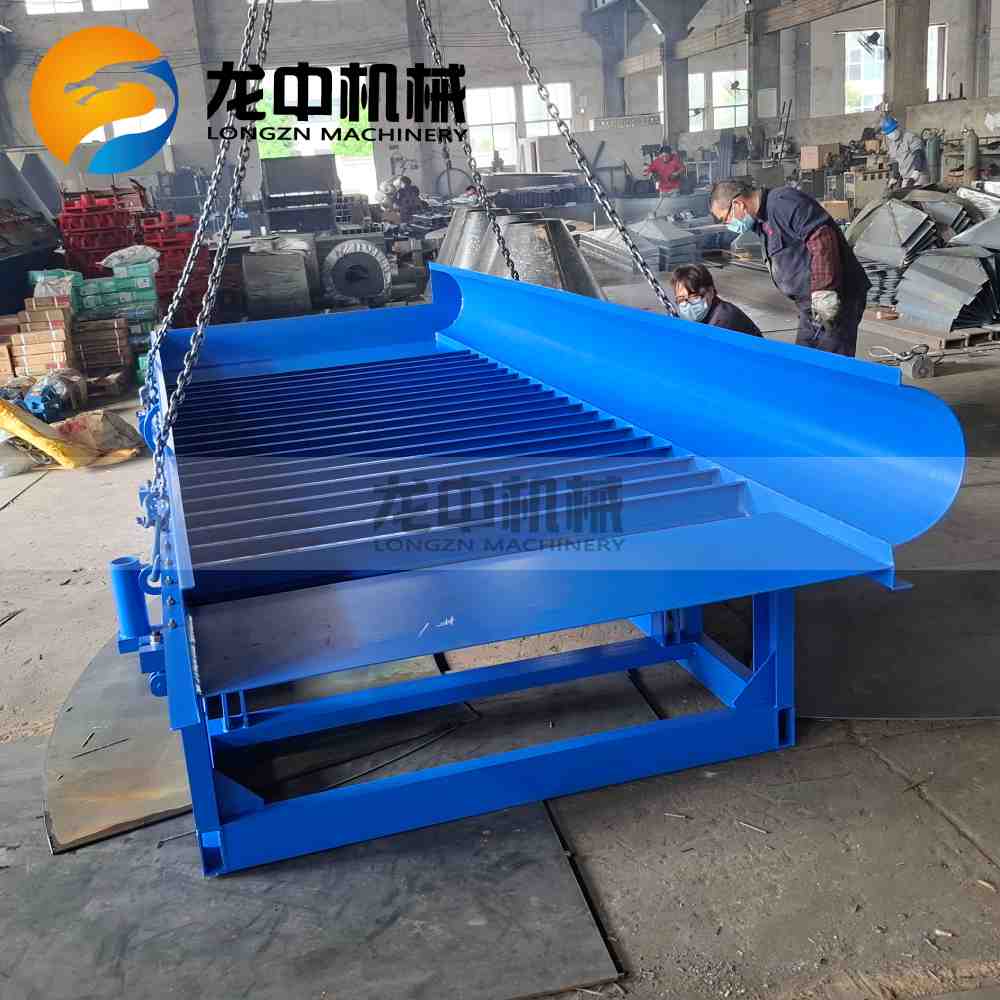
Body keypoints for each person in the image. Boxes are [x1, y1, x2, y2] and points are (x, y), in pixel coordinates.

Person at [709, 179, 871, 357]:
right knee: (803, 359)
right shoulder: (761, 222)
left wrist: (824, 290)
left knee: (830, 363)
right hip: (810, 305)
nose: (728, 225)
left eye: (726, 218)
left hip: (836, 298)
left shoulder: (783, 203)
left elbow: (821, 237)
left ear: (738, 204)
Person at [672, 264, 763, 338]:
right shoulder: (706, 314)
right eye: (681, 299)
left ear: (710, 291)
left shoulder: (722, 321)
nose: (687, 304)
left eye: (694, 296)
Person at [882, 116, 930, 189]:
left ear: (898, 127)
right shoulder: (892, 145)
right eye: (889, 133)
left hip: (919, 176)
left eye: (893, 130)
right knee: (903, 195)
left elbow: (919, 154)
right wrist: (895, 177)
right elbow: (895, 162)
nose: (892, 134)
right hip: (906, 178)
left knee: (917, 195)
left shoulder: (910, 137)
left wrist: (916, 173)